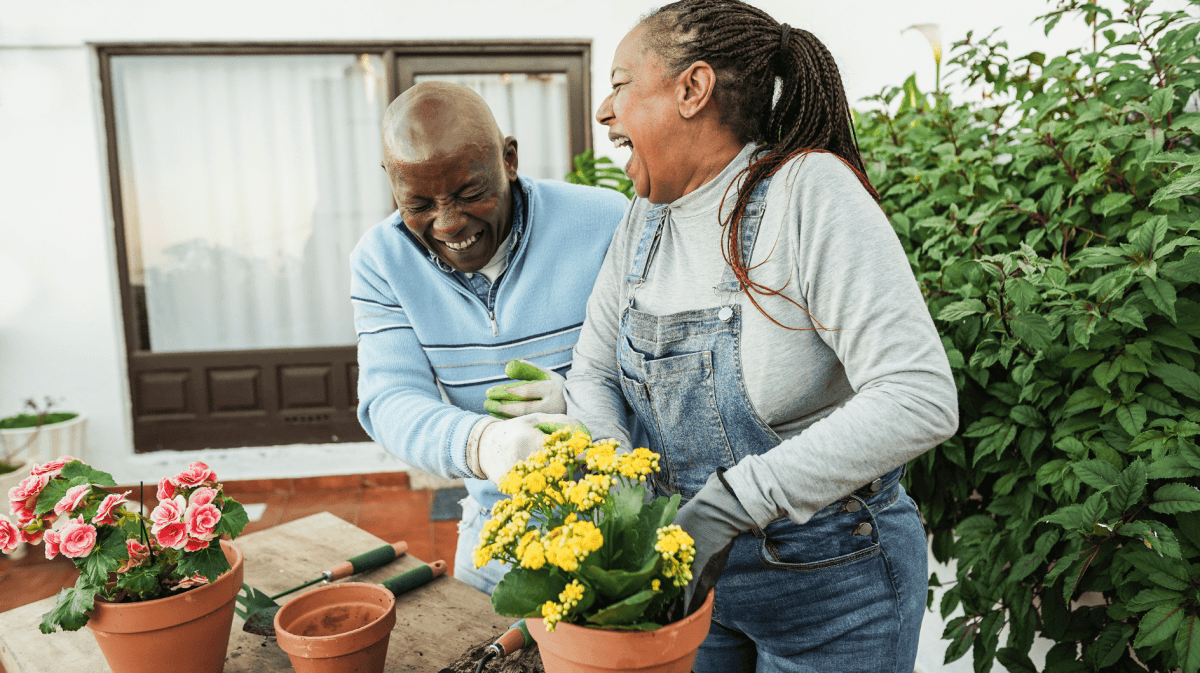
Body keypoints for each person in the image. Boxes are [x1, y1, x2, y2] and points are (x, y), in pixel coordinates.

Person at [563, 2, 960, 671]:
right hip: (696, 591)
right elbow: (593, 374)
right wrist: (617, 492)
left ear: (692, 89)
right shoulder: (644, 223)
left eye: (621, 82)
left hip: (835, 593)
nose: (605, 109)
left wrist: (727, 504)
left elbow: (918, 395)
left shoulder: (808, 194)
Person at [351, 81, 629, 594]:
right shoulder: (381, 262)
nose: (449, 222)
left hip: (621, 531)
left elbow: (671, 369)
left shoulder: (605, 222)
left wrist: (579, 401)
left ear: (509, 159)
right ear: (391, 185)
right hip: (494, 540)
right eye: (419, 202)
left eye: (469, 192)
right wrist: (486, 444)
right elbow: (389, 400)